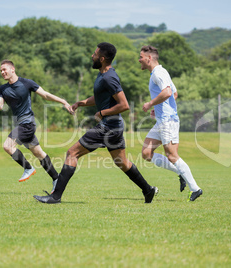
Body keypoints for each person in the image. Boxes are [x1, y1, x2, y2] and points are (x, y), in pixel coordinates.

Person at [33, 42, 158, 204]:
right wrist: (81, 103)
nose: (92, 56)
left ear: (103, 58)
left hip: (108, 127)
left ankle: (55, 196)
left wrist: (102, 113)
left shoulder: (109, 77)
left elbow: (124, 105)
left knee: (72, 153)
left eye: (95, 54)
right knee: (122, 162)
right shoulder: (103, 75)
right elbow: (100, 99)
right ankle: (148, 190)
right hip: (115, 127)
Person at [0, 60, 74, 189]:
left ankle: (28, 168)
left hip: (27, 125)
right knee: (39, 153)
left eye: (4, 69)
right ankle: (56, 180)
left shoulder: (26, 83)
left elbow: (46, 95)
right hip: (21, 125)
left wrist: (63, 101)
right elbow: (0, 106)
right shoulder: (3, 88)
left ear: (12, 69)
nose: (3, 72)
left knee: (7, 146)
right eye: (1, 71)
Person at [138, 45, 203, 201]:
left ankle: (195, 189)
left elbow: (167, 93)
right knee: (146, 153)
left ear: (149, 58)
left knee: (172, 155)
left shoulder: (158, 73)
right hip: (162, 120)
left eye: (140, 57)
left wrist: (150, 104)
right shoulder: (160, 72)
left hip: (168, 121)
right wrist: (158, 107)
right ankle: (180, 173)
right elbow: (174, 93)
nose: (139, 60)